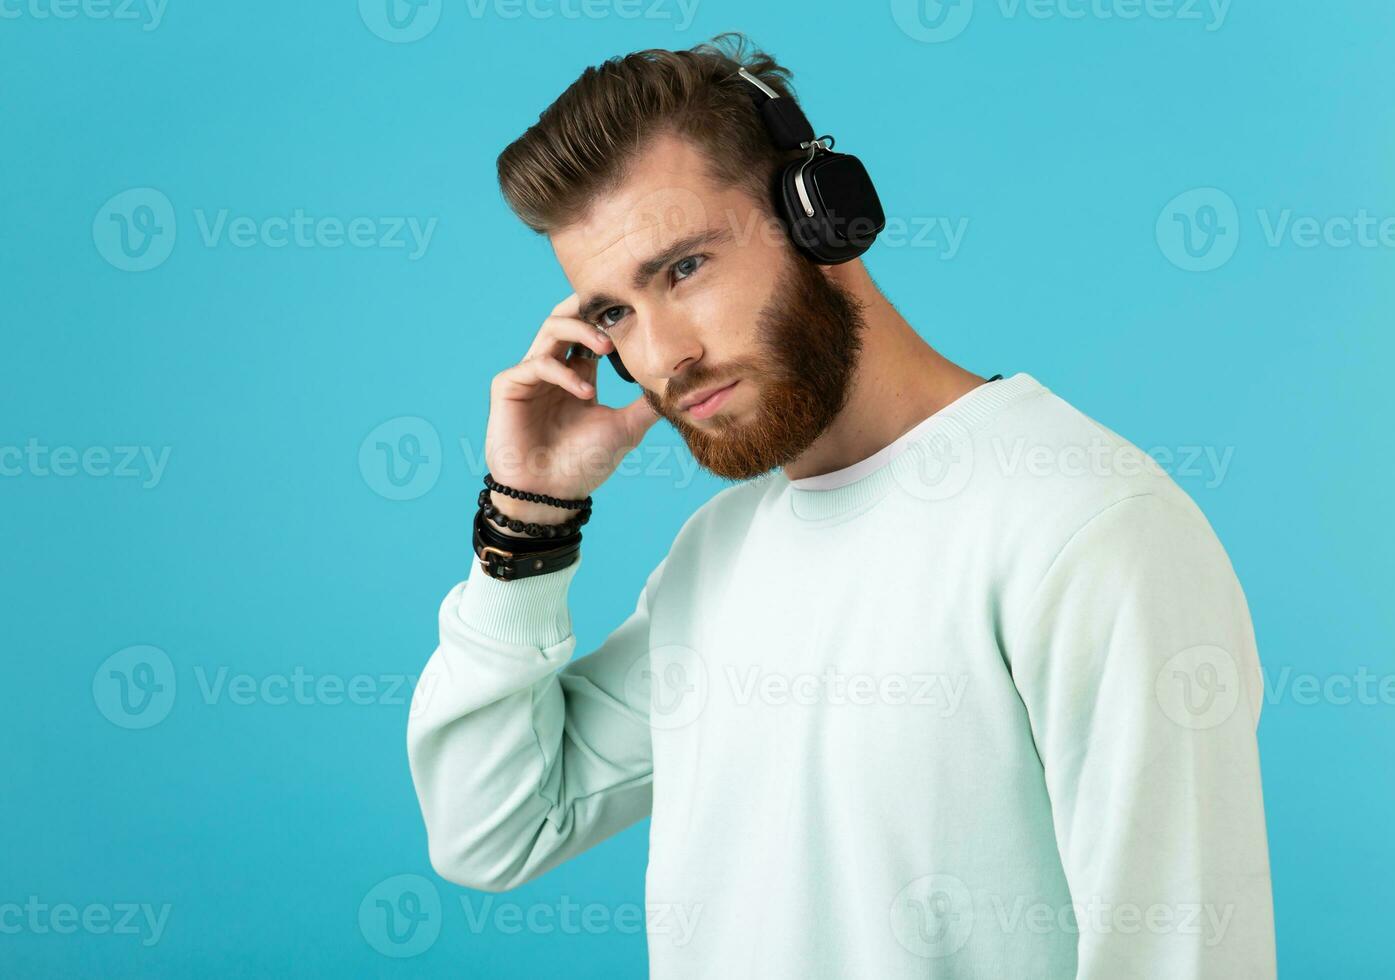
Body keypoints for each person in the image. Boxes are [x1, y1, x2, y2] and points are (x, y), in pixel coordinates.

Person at [406, 32, 1276, 979]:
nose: (658, 358)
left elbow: (1182, 958)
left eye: (684, 269)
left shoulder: (1088, 530)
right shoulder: (718, 555)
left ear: (822, 216)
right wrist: (526, 518)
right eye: (612, 312)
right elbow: (493, 829)